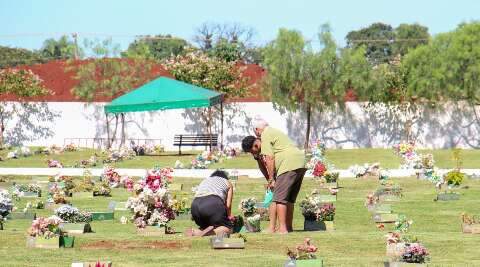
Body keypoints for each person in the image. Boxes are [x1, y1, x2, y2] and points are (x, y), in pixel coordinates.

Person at [242, 123, 306, 234]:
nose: (253, 154)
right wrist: (258, 159)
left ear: (256, 145)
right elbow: (262, 162)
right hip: (299, 163)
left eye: (252, 151)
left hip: (288, 164)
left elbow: (270, 158)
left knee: (278, 199)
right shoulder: (271, 134)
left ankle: (282, 229)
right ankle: (288, 227)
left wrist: (271, 180)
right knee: (289, 199)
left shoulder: (265, 136)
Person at [186, 170, 234, 236]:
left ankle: (194, 232)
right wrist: (229, 219)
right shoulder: (227, 182)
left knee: (206, 226)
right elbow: (228, 206)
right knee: (228, 228)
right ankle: (207, 233)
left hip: (195, 206)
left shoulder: (205, 180)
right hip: (212, 202)